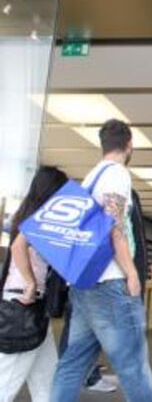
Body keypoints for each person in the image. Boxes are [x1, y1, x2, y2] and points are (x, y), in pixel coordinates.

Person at [51, 119, 152, 402]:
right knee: (132, 366)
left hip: (85, 284)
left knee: (72, 363)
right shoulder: (117, 174)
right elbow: (115, 226)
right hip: (111, 283)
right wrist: (131, 272)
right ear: (129, 145)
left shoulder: (90, 177)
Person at [0, 166, 68, 402]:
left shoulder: (28, 213)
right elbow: (18, 247)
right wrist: (30, 282)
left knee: (46, 381)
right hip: (23, 304)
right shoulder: (42, 215)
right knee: (5, 384)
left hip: (32, 308)